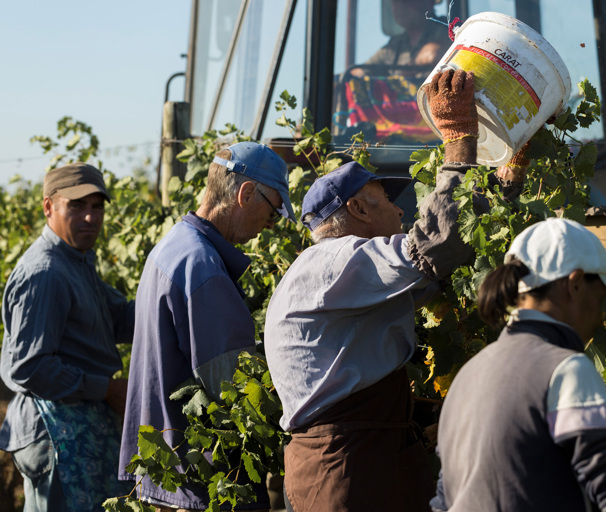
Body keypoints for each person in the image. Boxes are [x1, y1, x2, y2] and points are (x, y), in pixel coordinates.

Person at [264, 68, 528, 512]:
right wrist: (459, 137)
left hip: (360, 461)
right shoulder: (337, 261)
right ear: (359, 208)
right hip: (349, 471)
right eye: (387, 200)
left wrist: (510, 176)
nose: (400, 212)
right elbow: (435, 245)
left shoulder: (351, 279)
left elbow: (439, 264)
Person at [430, 218, 606, 512]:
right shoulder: (565, 370)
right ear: (575, 284)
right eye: (603, 297)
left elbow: (444, 501)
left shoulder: (469, 374)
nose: (604, 316)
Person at [118, 142, 295, 511]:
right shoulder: (204, 267)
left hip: (169, 472)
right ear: (246, 193)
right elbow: (235, 391)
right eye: (274, 211)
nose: (271, 225)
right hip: (203, 487)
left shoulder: (172, 247)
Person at [0, 162, 135, 511]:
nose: (90, 217)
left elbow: (117, 319)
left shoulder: (75, 260)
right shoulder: (45, 273)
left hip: (72, 427)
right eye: (76, 206)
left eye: (97, 206)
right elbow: (29, 369)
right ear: (49, 207)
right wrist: (105, 389)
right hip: (54, 433)